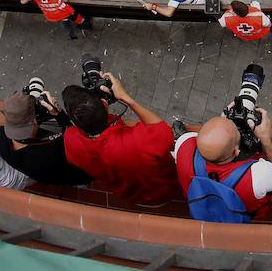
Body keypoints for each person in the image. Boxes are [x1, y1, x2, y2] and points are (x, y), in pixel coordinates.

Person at [62, 75, 183, 208]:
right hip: (168, 190)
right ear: (104, 103)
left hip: (133, 196)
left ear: (75, 123)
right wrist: (126, 98)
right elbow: (163, 131)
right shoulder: (139, 141)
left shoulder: (71, 142)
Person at [174, 105, 272, 222]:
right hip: (245, 213)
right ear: (236, 150)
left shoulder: (184, 145)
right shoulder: (257, 175)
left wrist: (222, 125)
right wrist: (265, 138)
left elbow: (212, 140)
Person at [0, 88, 93, 186]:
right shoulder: (49, 153)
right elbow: (76, 141)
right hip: (81, 171)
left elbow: (3, 127)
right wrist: (59, 114)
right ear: (33, 122)